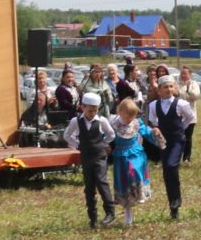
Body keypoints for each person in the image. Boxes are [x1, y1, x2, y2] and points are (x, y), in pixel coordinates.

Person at [65, 93, 117, 228]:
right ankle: (92, 218)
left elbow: (111, 134)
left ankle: (110, 211)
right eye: (89, 110)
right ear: (83, 107)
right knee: (89, 187)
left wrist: (103, 143)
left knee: (101, 181)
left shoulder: (101, 121)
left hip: (99, 155)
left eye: (95, 110)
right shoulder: (76, 121)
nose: (92, 113)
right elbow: (66, 135)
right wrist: (76, 144)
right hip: (86, 157)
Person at [147, 76, 196, 220]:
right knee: (167, 172)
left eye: (170, 87)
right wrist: (156, 129)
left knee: (171, 165)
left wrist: (181, 129)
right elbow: (153, 120)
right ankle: (173, 205)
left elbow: (189, 117)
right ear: (159, 91)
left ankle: (177, 199)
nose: (168, 89)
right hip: (163, 141)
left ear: (174, 88)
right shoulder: (153, 105)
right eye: (165, 87)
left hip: (177, 141)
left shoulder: (181, 103)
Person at [107, 98, 154, 226]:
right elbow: (106, 137)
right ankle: (128, 212)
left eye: (132, 116)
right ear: (120, 111)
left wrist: (154, 133)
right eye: (128, 115)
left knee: (134, 171)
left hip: (136, 153)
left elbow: (147, 133)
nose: (130, 119)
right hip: (120, 155)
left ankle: (140, 194)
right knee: (124, 182)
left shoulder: (137, 123)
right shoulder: (113, 124)